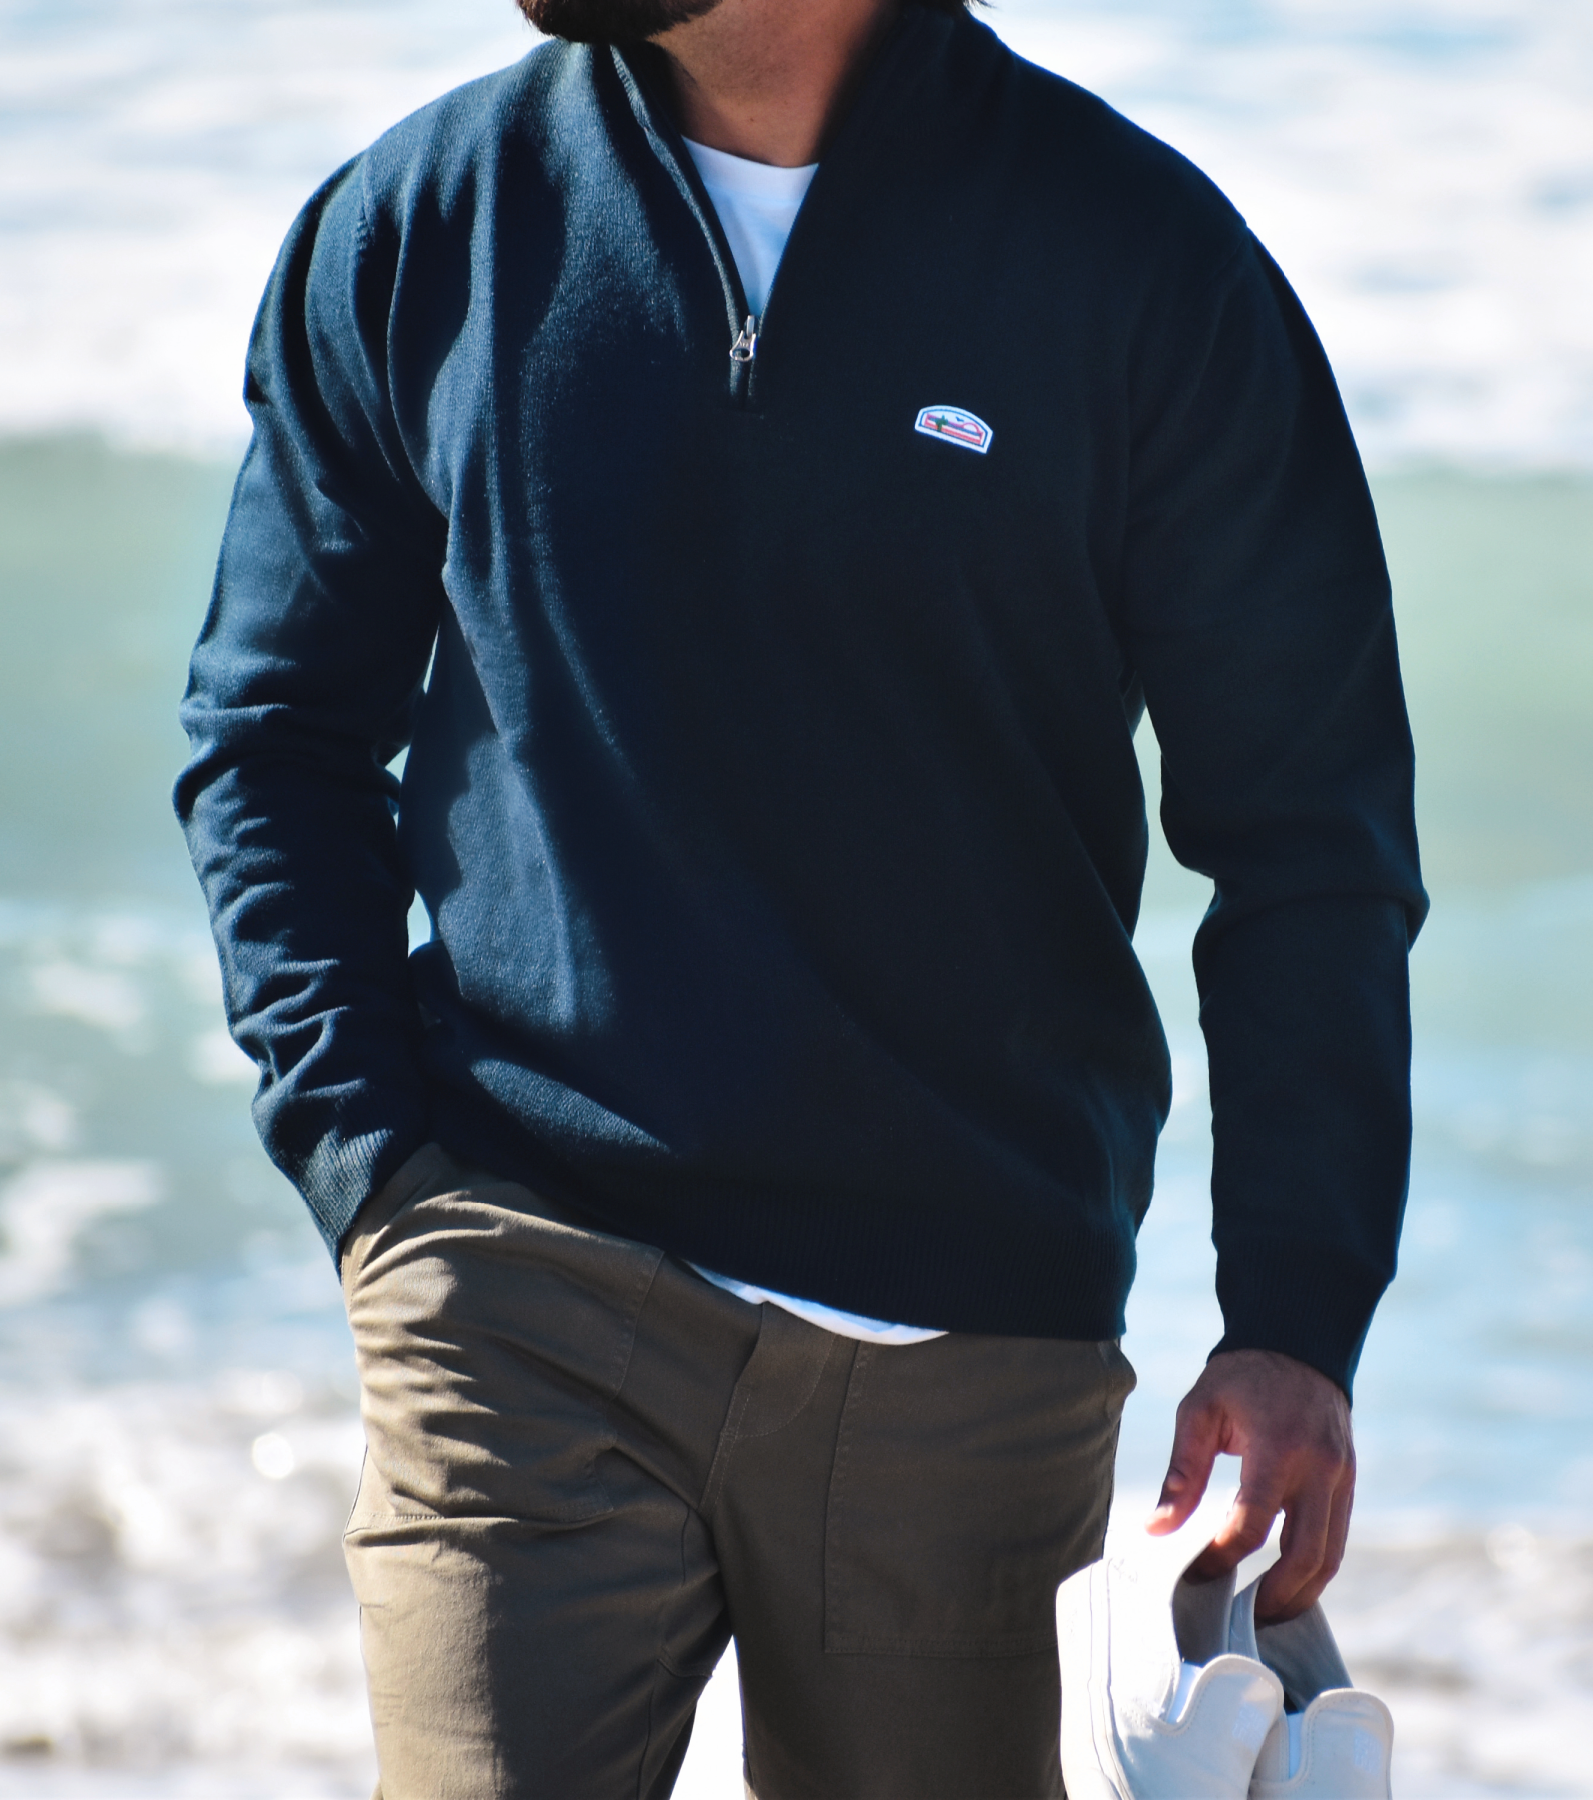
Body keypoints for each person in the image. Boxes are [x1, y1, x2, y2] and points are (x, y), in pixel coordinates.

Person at [175, 0, 1426, 1793]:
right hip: (524, 1281)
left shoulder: (1143, 269)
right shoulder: (421, 224)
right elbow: (271, 735)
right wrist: (378, 1177)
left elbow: (1310, 837)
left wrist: (1296, 1316)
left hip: (969, 1356)